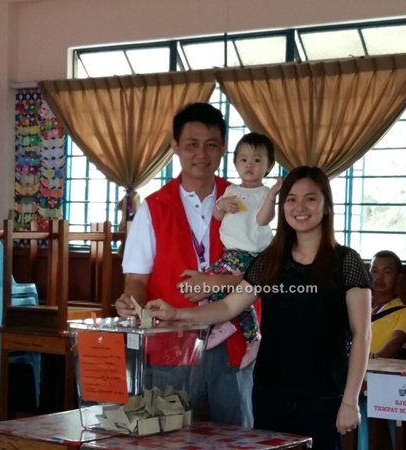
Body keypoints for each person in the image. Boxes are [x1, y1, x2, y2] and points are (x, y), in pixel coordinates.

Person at [146, 166, 372, 450]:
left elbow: (361, 334)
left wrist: (350, 401)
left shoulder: (347, 262)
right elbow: (228, 306)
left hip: (324, 395)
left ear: (326, 206)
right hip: (269, 392)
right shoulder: (270, 261)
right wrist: (177, 313)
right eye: (291, 199)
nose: (300, 207)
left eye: (310, 199)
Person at [115, 102, 254, 427]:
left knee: (236, 439)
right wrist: (130, 302)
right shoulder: (153, 208)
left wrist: (217, 283)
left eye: (210, 145)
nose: (201, 154)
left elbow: (261, 274)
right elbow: (136, 279)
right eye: (191, 144)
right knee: (169, 435)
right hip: (169, 344)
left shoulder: (245, 202)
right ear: (175, 146)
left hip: (232, 341)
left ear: (223, 148)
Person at [202, 132, 282, 370]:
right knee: (238, 297)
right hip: (231, 253)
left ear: (268, 166)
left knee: (210, 282)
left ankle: (226, 323)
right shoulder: (231, 190)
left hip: (249, 255)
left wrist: (273, 197)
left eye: (257, 160)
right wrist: (220, 205)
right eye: (244, 159)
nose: (249, 164)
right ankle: (252, 337)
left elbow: (263, 220)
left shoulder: (265, 193)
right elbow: (217, 216)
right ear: (235, 163)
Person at [368, 250, 406, 359]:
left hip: (376, 370)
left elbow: (393, 346)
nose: (379, 277)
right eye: (374, 271)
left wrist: (374, 358)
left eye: (387, 272)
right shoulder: (357, 306)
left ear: (398, 278)